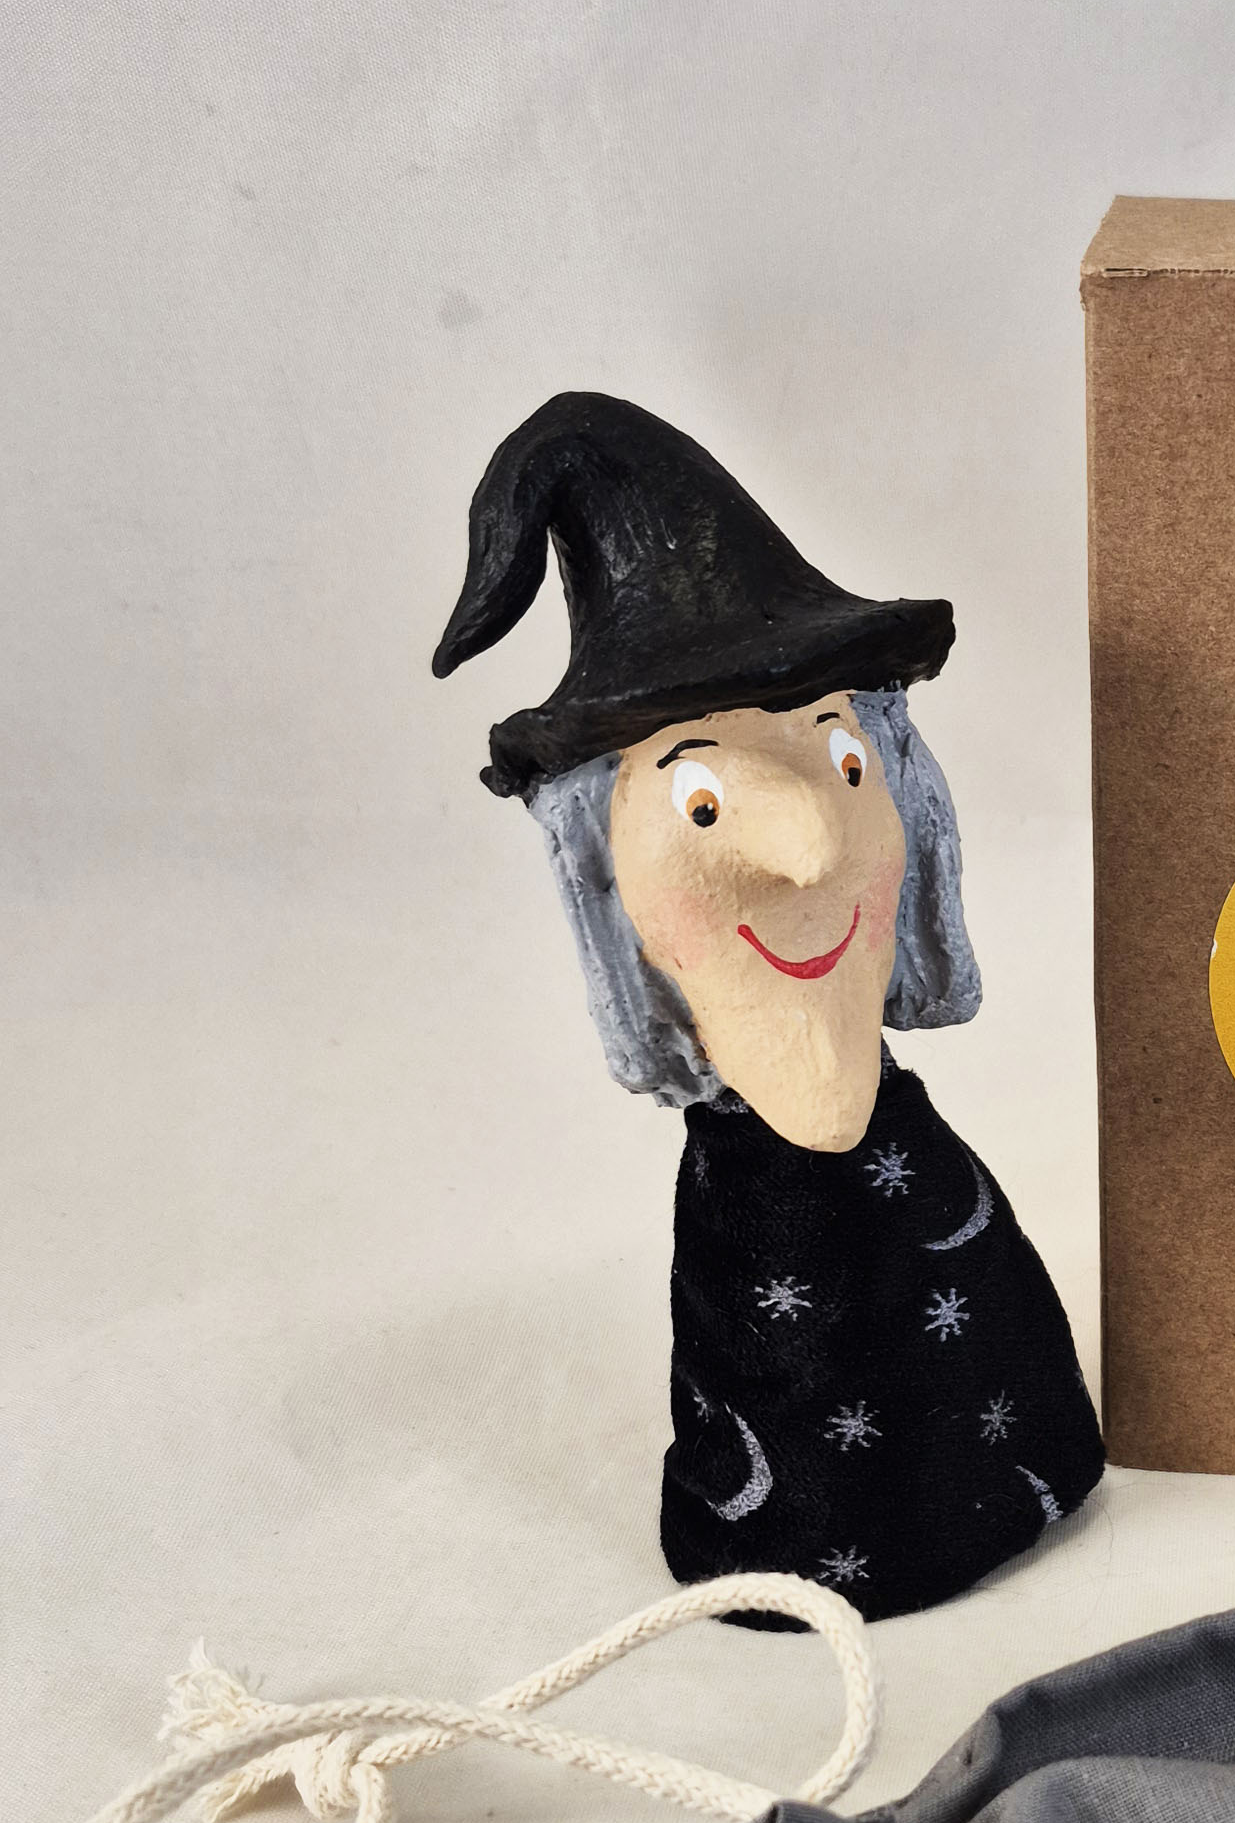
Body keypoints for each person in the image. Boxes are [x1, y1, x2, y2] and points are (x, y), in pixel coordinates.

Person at [433, 393, 1102, 1620]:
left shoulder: (927, 1178)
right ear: (601, 868)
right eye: (702, 804)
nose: (812, 850)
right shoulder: (752, 1229)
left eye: (844, 762)